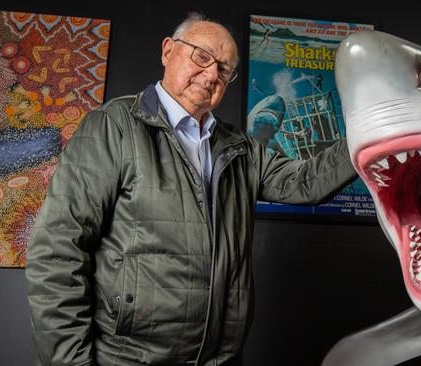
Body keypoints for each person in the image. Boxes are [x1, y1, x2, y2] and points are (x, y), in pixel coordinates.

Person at [25, 11, 356, 366]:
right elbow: (57, 252)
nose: (212, 73)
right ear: (168, 51)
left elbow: (304, 183)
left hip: (221, 359)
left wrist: (372, 130)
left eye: (224, 69)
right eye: (202, 56)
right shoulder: (112, 128)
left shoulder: (239, 148)